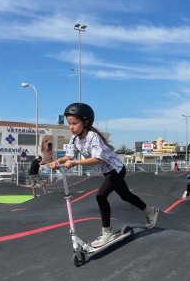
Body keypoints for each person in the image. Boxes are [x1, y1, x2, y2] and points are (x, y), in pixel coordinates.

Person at [49, 103, 159, 248]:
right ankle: (150, 211)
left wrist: (74, 162)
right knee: (125, 195)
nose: (71, 127)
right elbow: (69, 155)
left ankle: (106, 232)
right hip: (107, 171)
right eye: (70, 124)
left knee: (100, 196)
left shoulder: (92, 136)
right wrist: (57, 161)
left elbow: (97, 159)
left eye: (74, 123)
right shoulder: (74, 139)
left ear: (86, 122)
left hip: (116, 169)